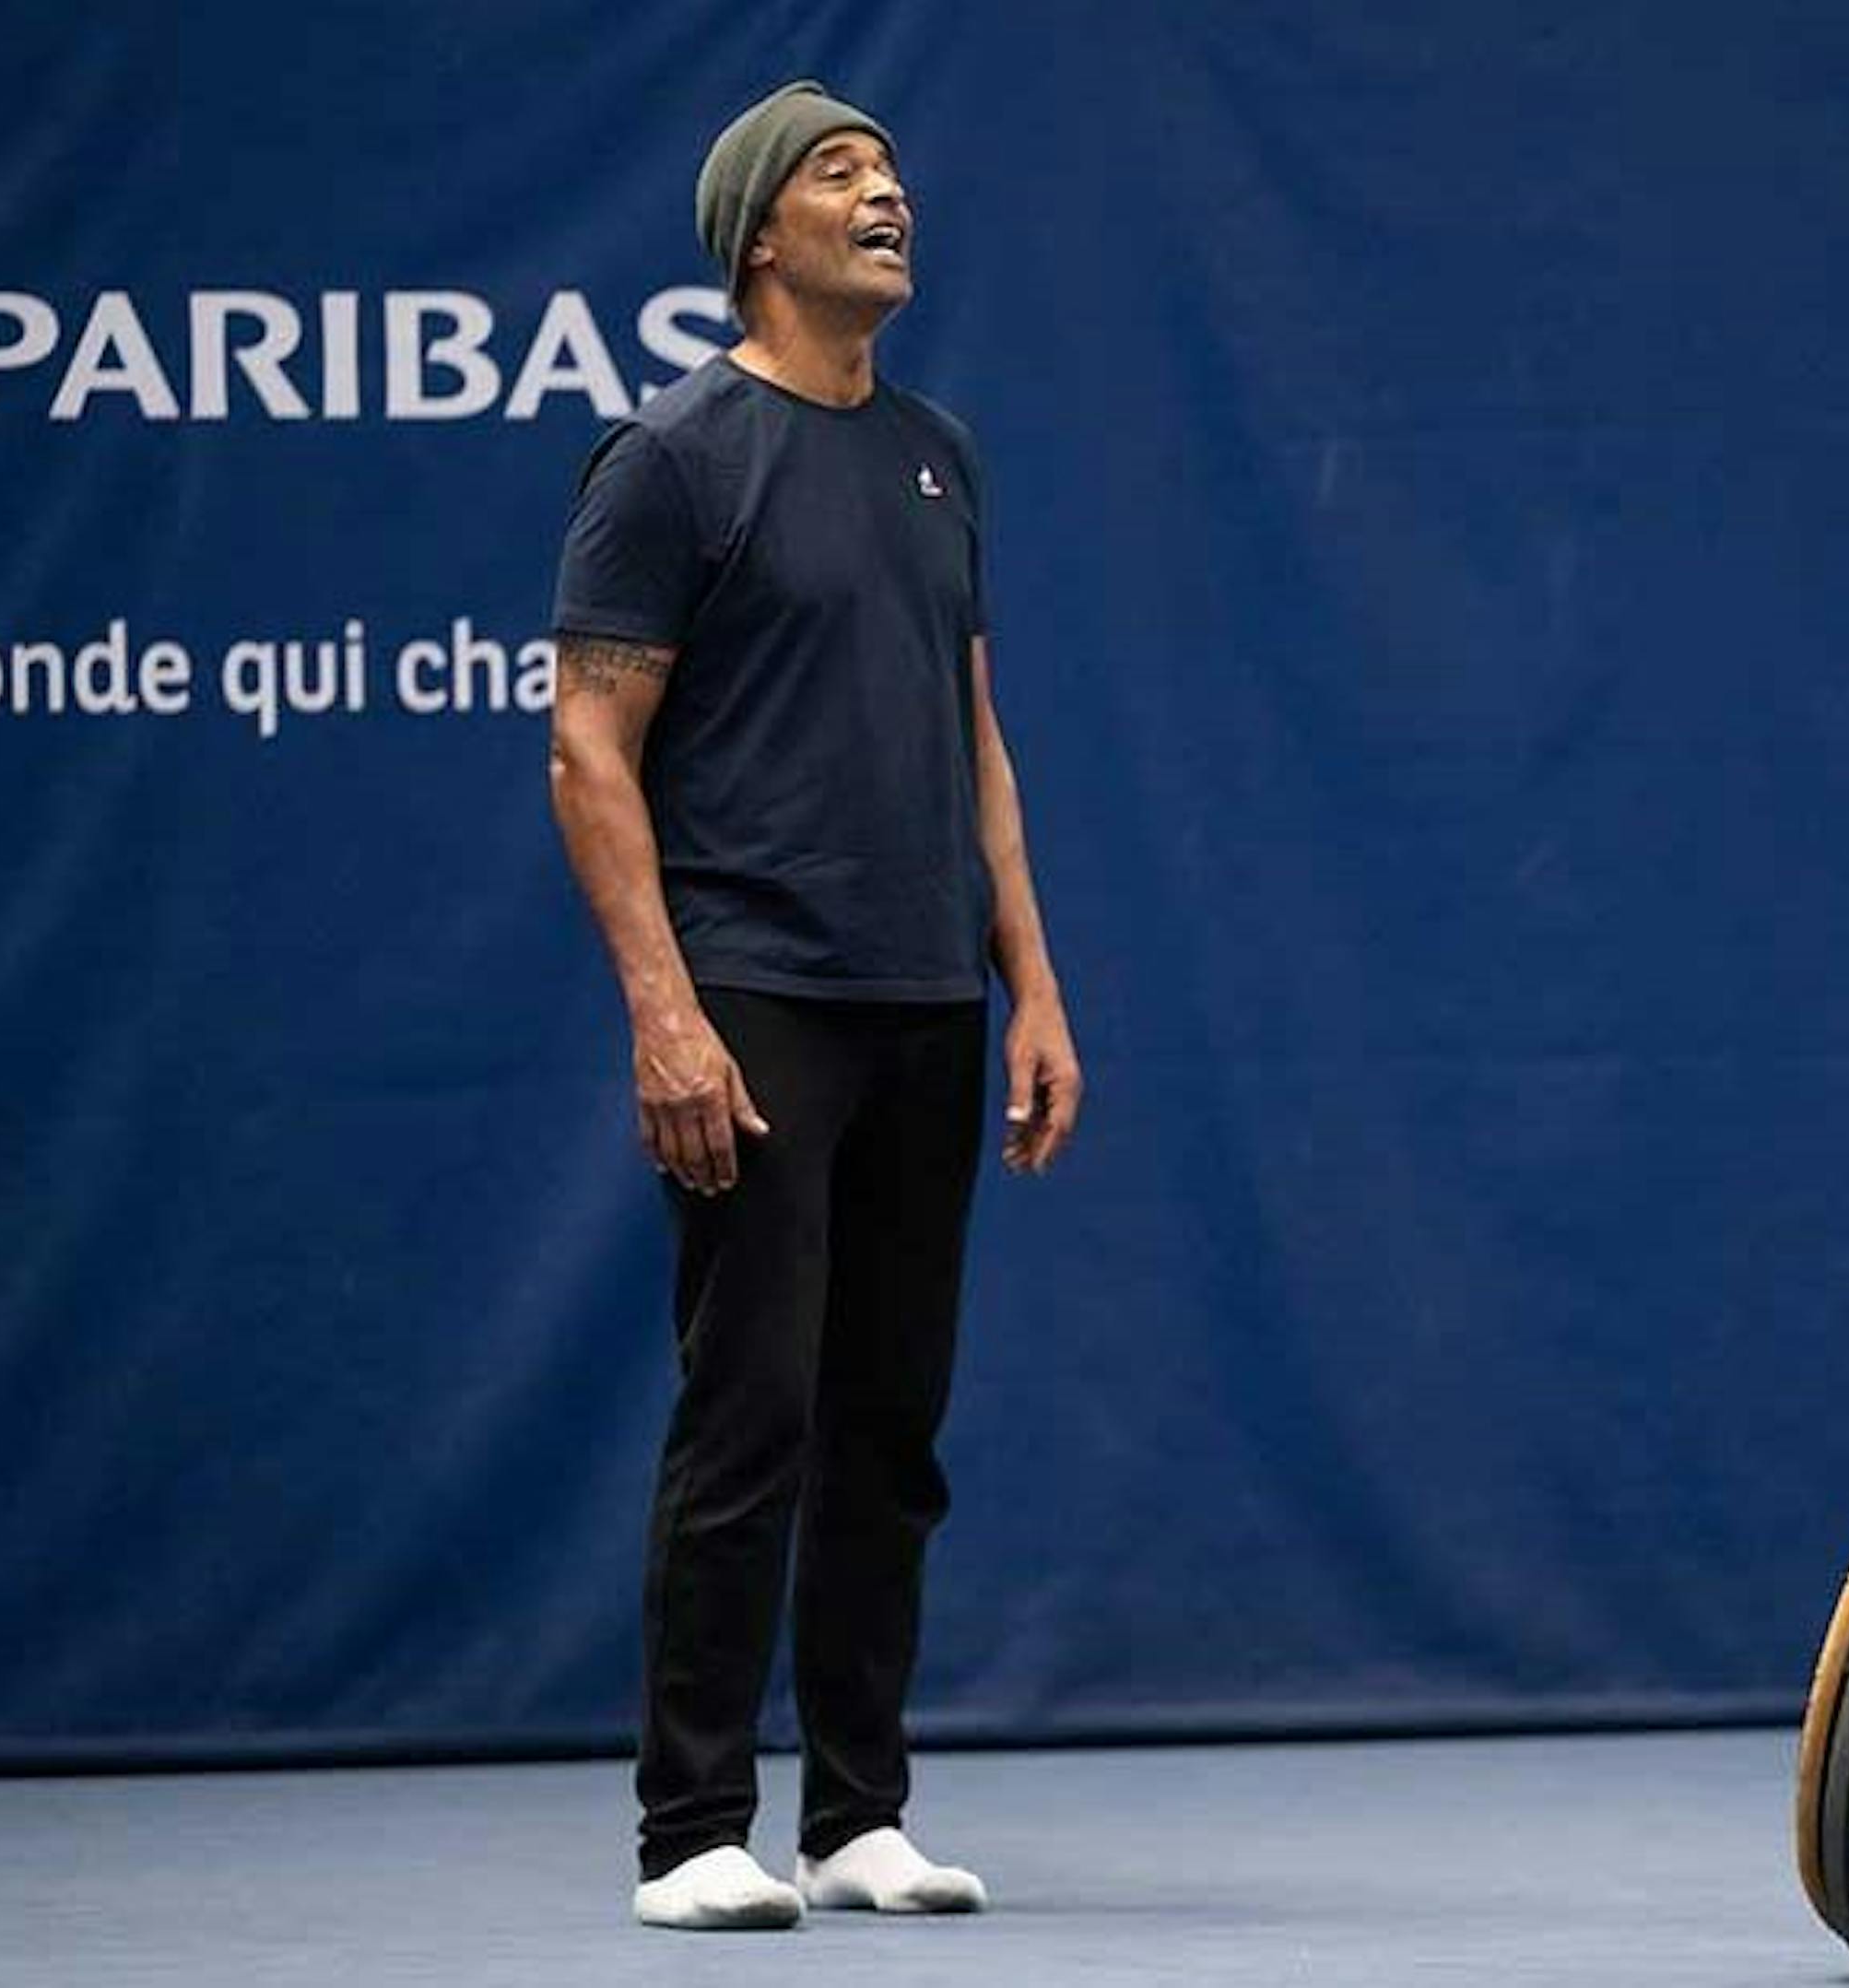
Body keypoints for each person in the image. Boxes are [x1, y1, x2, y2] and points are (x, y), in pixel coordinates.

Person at [547, 79, 1082, 1932]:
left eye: (892, 169)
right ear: (759, 234)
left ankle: (859, 1811)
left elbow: (977, 736)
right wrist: (665, 1011)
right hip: (755, 993)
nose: (889, 194)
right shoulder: (674, 456)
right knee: (750, 1407)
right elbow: (588, 748)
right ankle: (690, 1826)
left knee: (889, 1423)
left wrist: (1033, 987)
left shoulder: (940, 452)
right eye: (842, 175)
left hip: (930, 996)